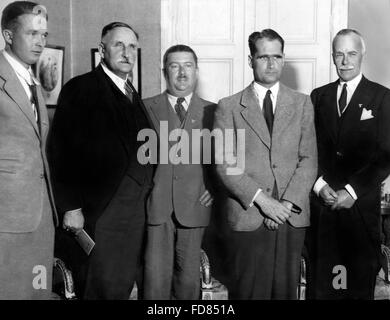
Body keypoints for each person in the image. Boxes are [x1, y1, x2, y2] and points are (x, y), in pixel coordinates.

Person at [48, 22, 154, 299]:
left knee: (121, 286)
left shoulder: (131, 91)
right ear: (102, 49)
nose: (127, 52)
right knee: (99, 288)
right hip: (103, 211)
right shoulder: (81, 88)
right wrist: (70, 207)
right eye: (119, 45)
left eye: (132, 46)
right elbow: (60, 152)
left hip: (136, 213)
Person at [214, 29, 317, 299]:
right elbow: (226, 165)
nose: (271, 64)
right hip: (248, 216)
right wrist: (264, 201)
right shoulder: (228, 107)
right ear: (251, 61)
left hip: (290, 216)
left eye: (277, 57)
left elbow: (309, 160)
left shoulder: (303, 104)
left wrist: (284, 205)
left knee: (284, 293)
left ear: (283, 59)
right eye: (263, 57)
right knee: (248, 293)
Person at [308, 29, 390, 299]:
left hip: (360, 214)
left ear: (362, 55)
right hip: (323, 212)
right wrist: (319, 186)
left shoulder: (382, 97)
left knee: (354, 290)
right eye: (339, 54)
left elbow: (386, 156)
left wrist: (352, 191)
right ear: (332, 57)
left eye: (351, 53)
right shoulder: (318, 96)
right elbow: (307, 149)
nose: (345, 61)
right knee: (324, 289)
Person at [0, 1, 57, 299]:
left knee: (37, 290)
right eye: (32, 34)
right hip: (4, 220)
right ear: (8, 35)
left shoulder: (32, 79)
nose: (40, 42)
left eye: (43, 35)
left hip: (42, 216)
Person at [143, 45, 215, 299]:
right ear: (165, 72)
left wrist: (214, 188)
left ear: (196, 71)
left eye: (187, 66)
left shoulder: (214, 111)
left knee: (188, 282)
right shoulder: (145, 108)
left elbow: (228, 161)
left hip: (195, 204)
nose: (182, 73)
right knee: (155, 280)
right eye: (175, 66)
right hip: (157, 206)